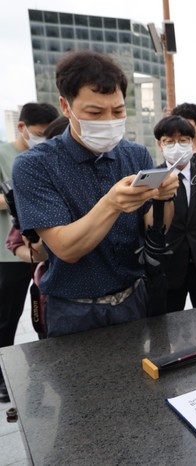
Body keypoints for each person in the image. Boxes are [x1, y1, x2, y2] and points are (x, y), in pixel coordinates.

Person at [12, 50, 179, 338]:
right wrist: (111, 204)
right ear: (66, 106)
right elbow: (65, 248)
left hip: (133, 299)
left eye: (118, 111)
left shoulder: (135, 154)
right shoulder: (35, 165)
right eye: (94, 113)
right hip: (73, 310)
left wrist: (164, 198)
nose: (109, 121)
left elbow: (155, 227)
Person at [0, 102, 58, 402]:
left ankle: (46, 366)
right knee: (6, 316)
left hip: (46, 251)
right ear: (21, 127)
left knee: (43, 313)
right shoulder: (4, 154)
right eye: (38, 133)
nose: (42, 139)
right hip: (10, 254)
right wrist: (23, 194)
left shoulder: (48, 154)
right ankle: (2, 375)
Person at [154, 115, 196, 323]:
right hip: (168, 267)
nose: (177, 146)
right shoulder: (152, 179)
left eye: (183, 140)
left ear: (192, 142)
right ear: (159, 145)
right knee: (165, 328)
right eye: (169, 141)